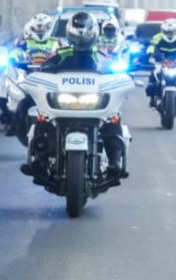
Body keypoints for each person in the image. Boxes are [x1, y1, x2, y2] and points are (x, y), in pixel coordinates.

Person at [34, 11, 129, 179]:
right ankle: (39, 160)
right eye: (77, 34)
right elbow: (45, 68)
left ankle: (115, 162)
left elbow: (116, 70)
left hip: (94, 105)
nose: (81, 38)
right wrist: (43, 71)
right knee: (43, 119)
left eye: (85, 33)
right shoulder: (61, 54)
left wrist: (123, 76)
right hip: (63, 104)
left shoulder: (101, 56)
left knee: (113, 120)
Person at [0, 13, 61, 127]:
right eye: (37, 27)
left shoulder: (58, 42)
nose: (40, 30)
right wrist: (14, 58)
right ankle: (7, 112)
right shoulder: (24, 42)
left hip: (51, 76)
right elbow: (16, 51)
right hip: (28, 74)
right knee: (5, 76)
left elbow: (67, 53)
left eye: (44, 27)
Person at [146, 18, 176, 111]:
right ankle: (152, 99)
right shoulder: (158, 37)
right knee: (153, 75)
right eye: (167, 32)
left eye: (172, 32)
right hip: (162, 60)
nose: (169, 34)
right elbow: (152, 46)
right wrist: (150, 53)